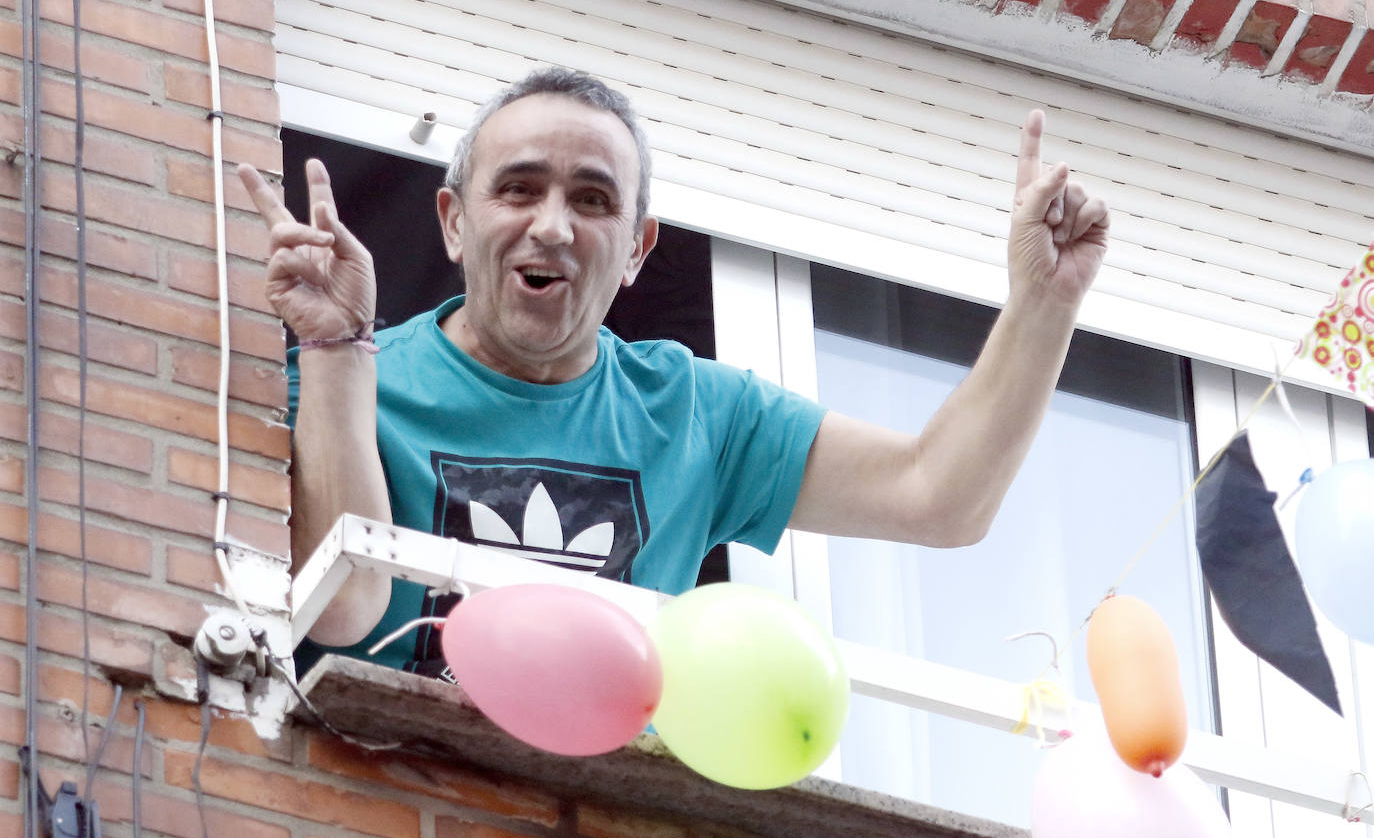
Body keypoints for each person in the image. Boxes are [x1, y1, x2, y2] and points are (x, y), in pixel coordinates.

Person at [239, 67, 1109, 676]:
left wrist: (1044, 303)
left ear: (636, 251)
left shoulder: (695, 411)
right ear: (455, 223)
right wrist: (336, 350)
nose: (552, 226)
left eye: (592, 199)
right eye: (518, 189)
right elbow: (343, 610)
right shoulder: (342, 381)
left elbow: (939, 495)